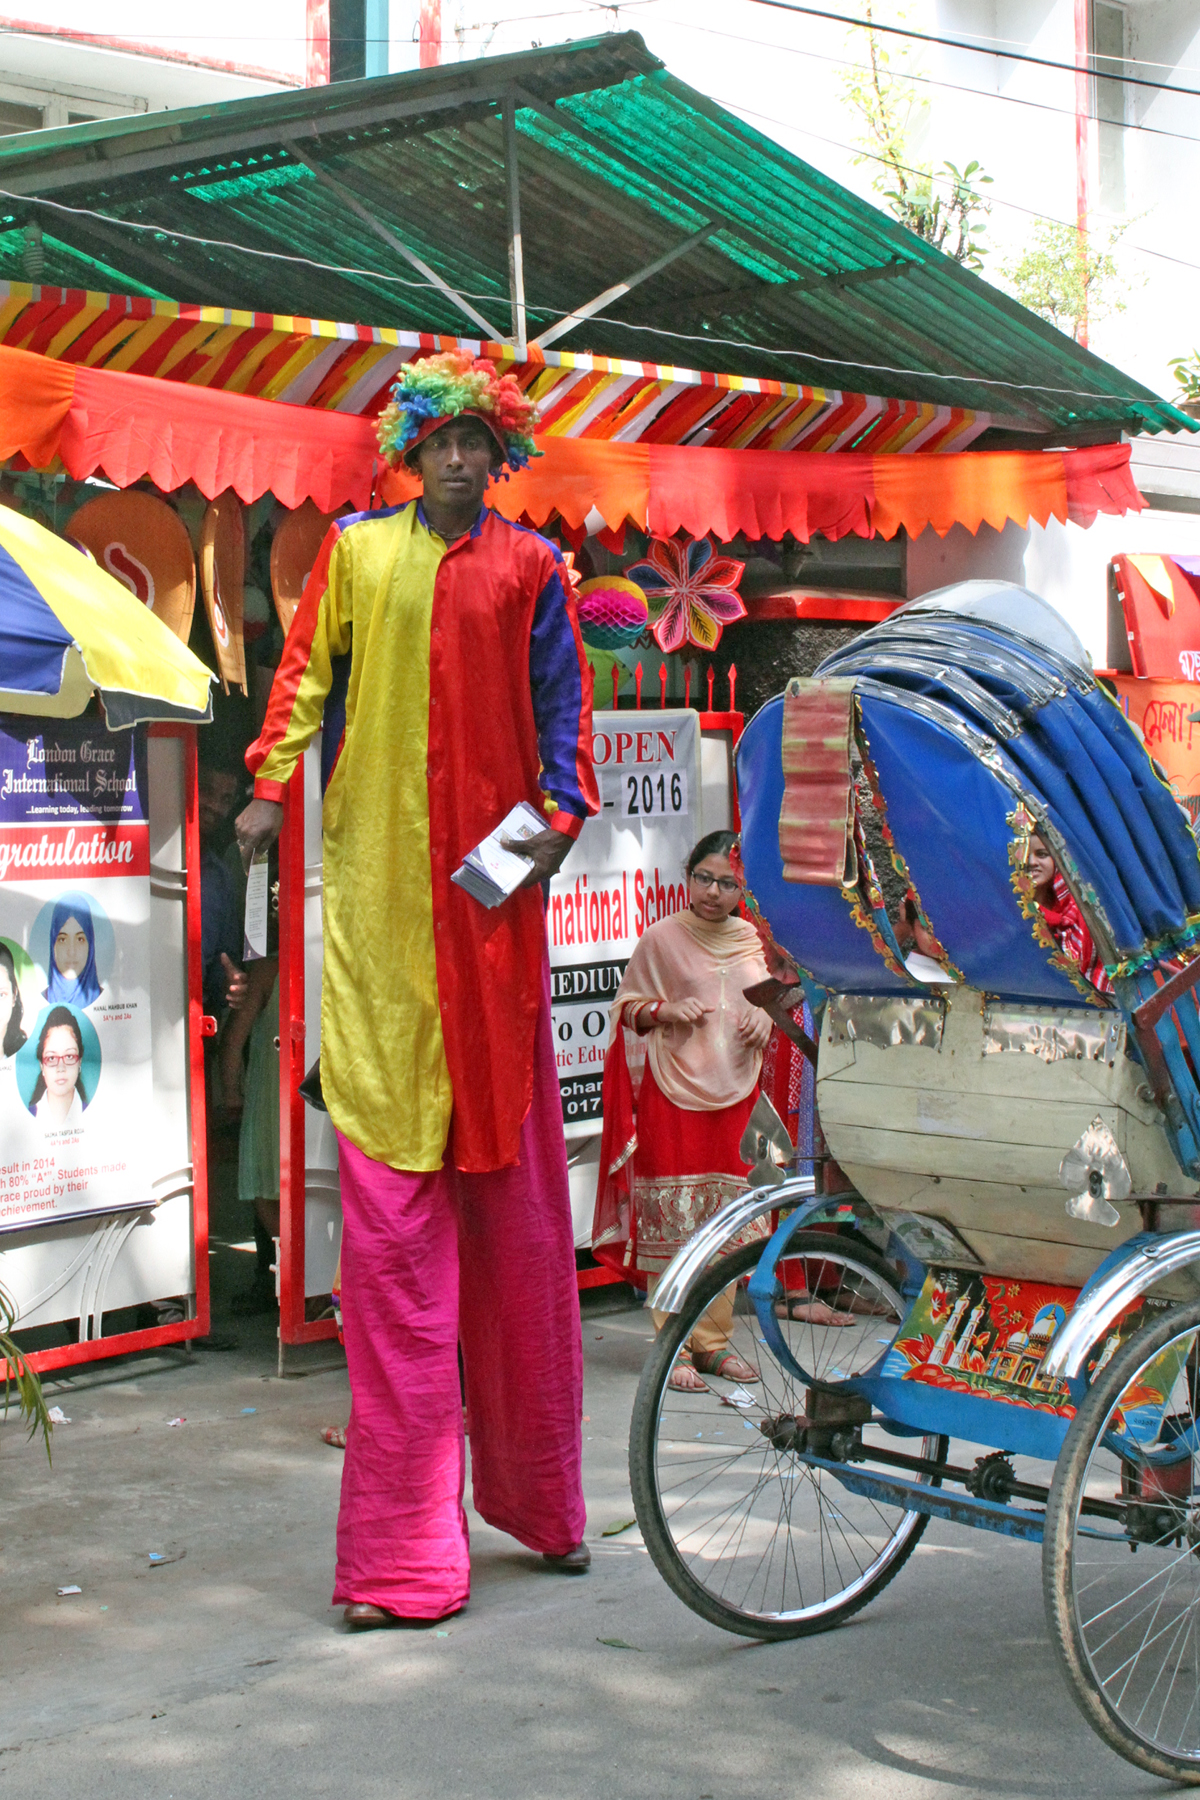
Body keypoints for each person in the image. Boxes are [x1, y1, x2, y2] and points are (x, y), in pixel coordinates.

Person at [234, 350, 598, 1630]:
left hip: (492, 968)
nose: (456, 459)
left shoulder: (534, 573)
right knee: (390, 1265)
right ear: (411, 449)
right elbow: (300, 684)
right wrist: (270, 788)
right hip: (382, 961)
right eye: (436, 439)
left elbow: (568, 772)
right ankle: (400, 1563)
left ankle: (547, 1508)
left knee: (517, 1250)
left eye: (474, 443)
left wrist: (501, 875)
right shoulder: (352, 557)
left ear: (501, 457)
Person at [592, 831, 772, 1391]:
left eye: (727, 883)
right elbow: (626, 1010)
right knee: (678, 1223)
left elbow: (772, 1002)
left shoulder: (753, 940)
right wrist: (666, 1010)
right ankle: (674, 1345)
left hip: (739, 1095)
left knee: (729, 1224)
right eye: (704, 878)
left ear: (744, 889)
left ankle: (715, 1345)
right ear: (688, 875)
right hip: (676, 1097)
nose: (713, 892)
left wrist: (766, 1023)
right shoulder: (662, 939)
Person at [1025, 832, 1113, 995]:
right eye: (1023, 853)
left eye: (1042, 854)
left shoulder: (1083, 910)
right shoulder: (1011, 912)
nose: (1031, 863)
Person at [28, 1006, 89, 1130]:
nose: (60, 1068)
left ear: (80, 1062)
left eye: (69, 1056)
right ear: (42, 1065)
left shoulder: (95, 1114)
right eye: (51, 1058)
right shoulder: (24, 1118)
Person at [43, 895, 102, 1009]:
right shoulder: (37, 1001)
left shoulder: (105, 1000)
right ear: (53, 945)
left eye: (80, 939)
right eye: (62, 939)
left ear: (90, 945)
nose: (71, 952)